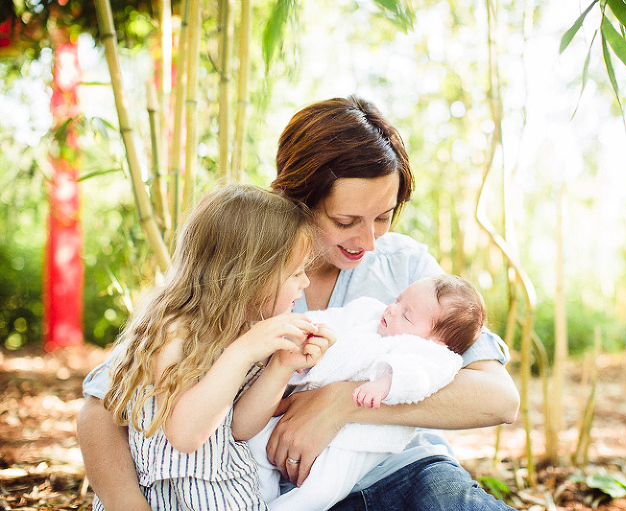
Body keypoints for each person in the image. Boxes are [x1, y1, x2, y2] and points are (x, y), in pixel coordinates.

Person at [78, 96, 520, 510]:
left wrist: (341, 402)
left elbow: (499, 399)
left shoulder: (407, 267)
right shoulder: (246, 262)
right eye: (345, 221)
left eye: (383, 217)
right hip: (272, 493)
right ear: (297, 200)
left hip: (399, 474)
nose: (368, 241)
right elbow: (102, 407)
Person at [90, 184, 335, 510]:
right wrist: (243, 352)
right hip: (171, 498)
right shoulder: (175, 331)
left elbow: (238, 427)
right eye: (295, 273)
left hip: (227, 494)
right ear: (250, 275)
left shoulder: (243, 333)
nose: (305, 283)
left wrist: (281, 366)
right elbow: (186, 434)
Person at [251, 275, 488, 511]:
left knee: (322, 489)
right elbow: (331, 320)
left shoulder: (432, 355)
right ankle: (260, 500)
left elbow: (423, 376)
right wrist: (305, 336)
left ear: (436, 342)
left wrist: (387, 384)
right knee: (257, 445)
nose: (392, 309)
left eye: (406, 315)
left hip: (357, 439)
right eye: (398, 300)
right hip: (299, 410)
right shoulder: (369, 313)